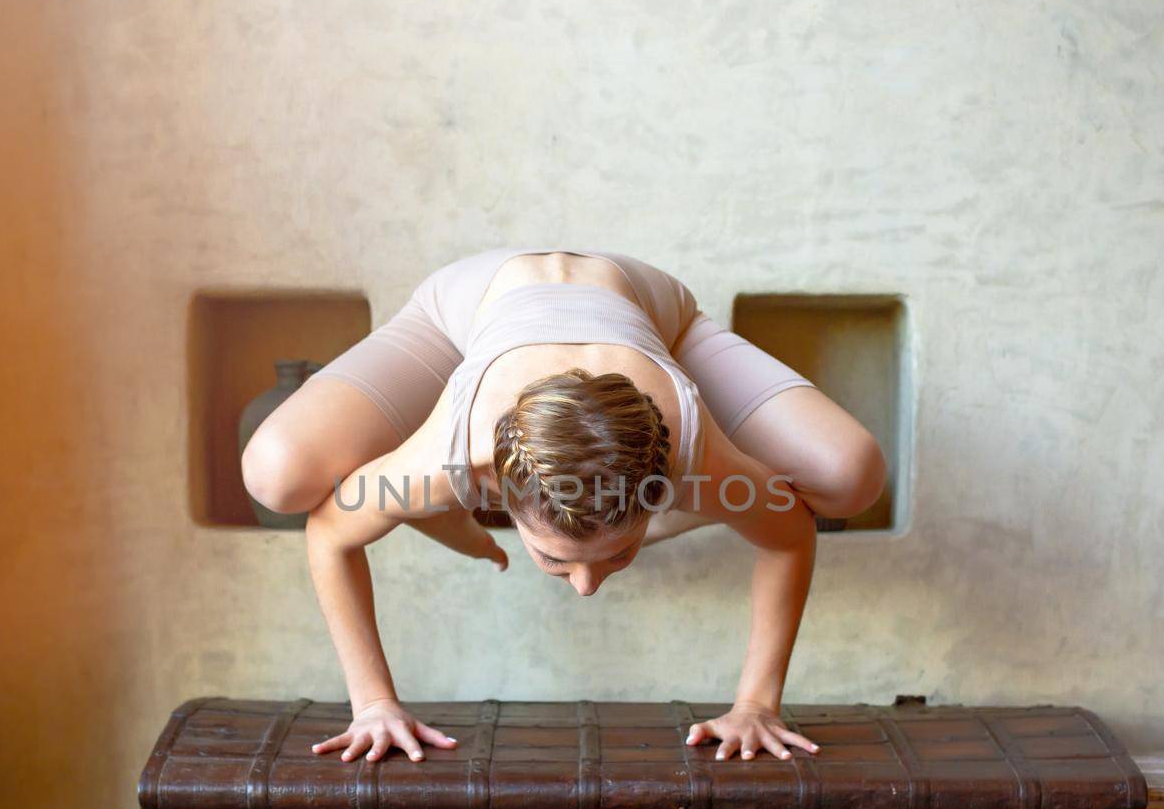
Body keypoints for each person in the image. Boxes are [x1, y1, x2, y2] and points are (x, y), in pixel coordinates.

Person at [242, 247, 886, 765]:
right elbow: (329, 532)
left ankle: (643, 514)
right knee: (275, 475)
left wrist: (757, 705)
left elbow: (790, 533)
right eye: (555, 559)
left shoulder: (692, 443)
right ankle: (442, 517)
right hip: (467, 304)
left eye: (619, 553)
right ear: (495, 487)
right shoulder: (452, 455)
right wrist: (372, 703)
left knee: (852, 478)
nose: (585, 588)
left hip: (644, 302)